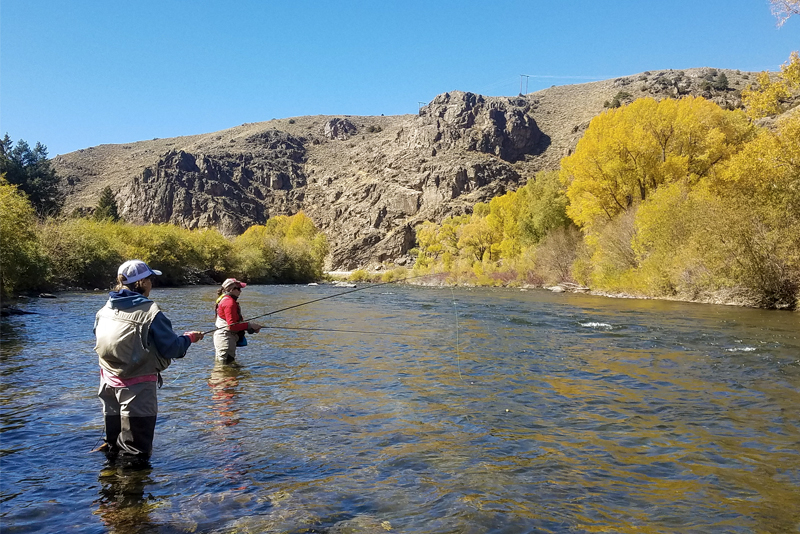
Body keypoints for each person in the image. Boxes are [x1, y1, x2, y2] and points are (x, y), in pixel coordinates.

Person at [93, 259, 204, 464]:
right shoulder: (150, 312)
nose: (152, 284)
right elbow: (173, 349)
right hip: (137, 389)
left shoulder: (106, 308)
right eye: (151, 279)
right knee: (136, 452)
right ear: (142, 282)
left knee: (113, 445)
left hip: (107, 384)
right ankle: (130, 492)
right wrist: (189, 338)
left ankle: (110, 487)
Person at [214, 278, 262, 363]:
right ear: (231, 290)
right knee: (226, 369)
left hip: (224, 337)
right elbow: (232, 326)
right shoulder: (229, 303)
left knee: (224, 369)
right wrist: (249, 325)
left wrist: (249, 327)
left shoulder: (225, 299)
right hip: (226, 339)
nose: (240, 291)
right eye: (239, 289)